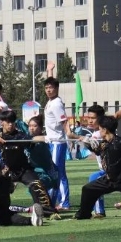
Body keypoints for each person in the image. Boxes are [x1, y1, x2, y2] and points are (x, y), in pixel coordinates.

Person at [0, 110, 56, 218]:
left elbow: (33, 139)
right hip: (7, 170)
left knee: (36, 184)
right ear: (2, 122)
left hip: (24, 170)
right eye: (8, 122)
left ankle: (49, 212)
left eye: (12, 122)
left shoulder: (20, 135)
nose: (11, 124)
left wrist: (46, 138)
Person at [81, 105, 121, 218]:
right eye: (89, 117)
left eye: (93, 118)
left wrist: (82, 139)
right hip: (113, 168)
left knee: (94, 180)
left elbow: (98, 150)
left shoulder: (99, 134)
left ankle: (99, 211)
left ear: (101, 118)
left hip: (113, 170)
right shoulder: (108, 123)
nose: (90, 120)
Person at [43, 76, 71, 210]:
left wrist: (69, 134)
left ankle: (64, 203)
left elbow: (64, 121)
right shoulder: (51, 101)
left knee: (57, 173)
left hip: (57, 142)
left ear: (57, 88)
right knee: (56, 172)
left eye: (51, 88)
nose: (48, 90)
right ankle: (61, 200)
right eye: (46, 88)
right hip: (52, 142)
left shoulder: (56, 104)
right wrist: (50, 70)